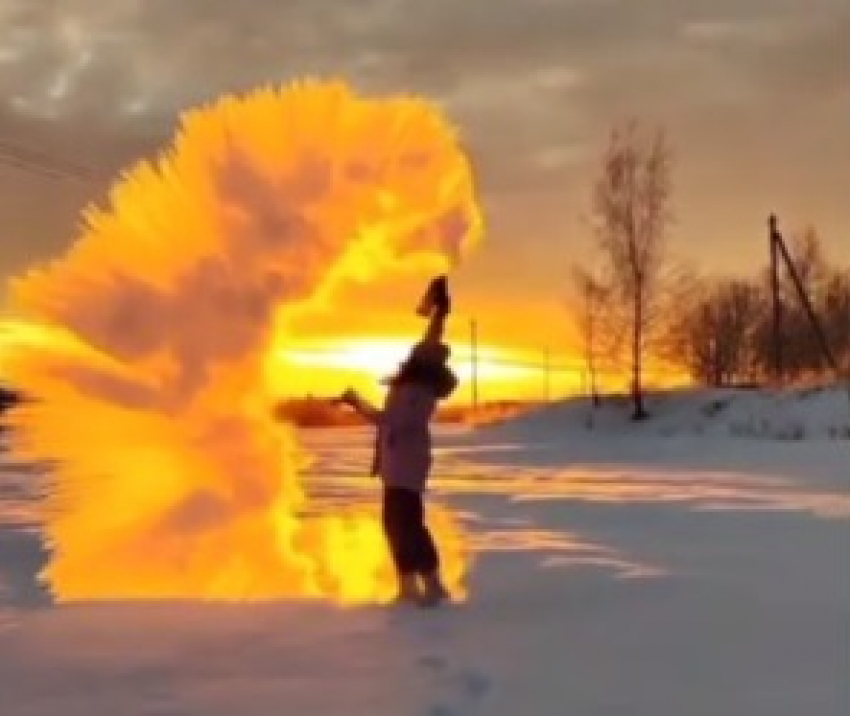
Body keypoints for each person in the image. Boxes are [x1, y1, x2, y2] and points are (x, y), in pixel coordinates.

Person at [337, 276, 457, 606]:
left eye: (415, 357)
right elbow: (429, 341)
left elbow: (392, 421)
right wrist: (439, 312)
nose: (408, 358)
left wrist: (357, 403)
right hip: (398, 465)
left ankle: (430, 584)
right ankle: (409, 585)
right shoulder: (411, 384)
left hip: (407, 467)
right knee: (395, 525)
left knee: (408, 525)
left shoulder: (418, 391)